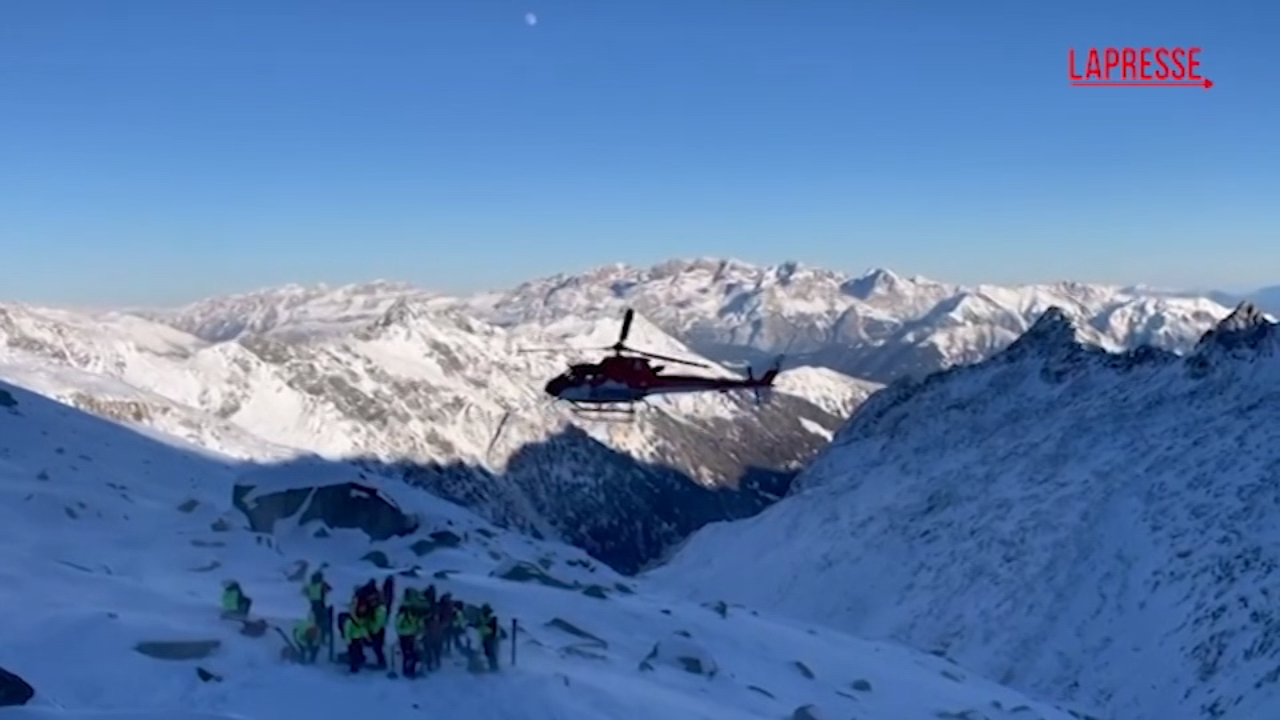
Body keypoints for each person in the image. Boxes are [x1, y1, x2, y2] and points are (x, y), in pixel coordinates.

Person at [393, 603, 422, 677]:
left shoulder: (415, 616)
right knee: (407, 655)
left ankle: (411, 670)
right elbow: (397, 626)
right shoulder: (403, 616)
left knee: (414, 654)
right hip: (405, 637)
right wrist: (407, 632)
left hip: (413, 637)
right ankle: (406, 671)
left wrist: (418, 632)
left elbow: (419, 625)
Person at [477, 603, 499, 672]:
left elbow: (494, 628)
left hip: (489, 636)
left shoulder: (491, 618)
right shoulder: (482, 616)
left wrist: (493, 636)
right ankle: (492, 666)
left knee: (491, 652)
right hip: (484, 635)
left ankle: (494, 667)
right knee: (488, 652)